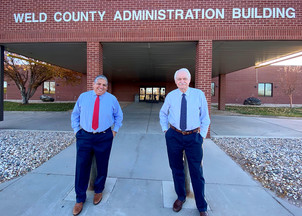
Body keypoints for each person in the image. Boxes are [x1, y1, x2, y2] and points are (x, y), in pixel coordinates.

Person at [159, 68, 210, 216]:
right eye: (179, 79)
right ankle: (180, 197)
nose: (182, 81)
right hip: (174, 135)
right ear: (175, 81)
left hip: (193, 137)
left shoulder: (198, 95)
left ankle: (202, 206)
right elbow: (163, 113)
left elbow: (205, 117)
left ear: (189, 79)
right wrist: (165, 130)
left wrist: (202, 137)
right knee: (176, 168)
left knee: (197, 171)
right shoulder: (171, 96)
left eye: (184, 79)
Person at [71, 75, 123, 216]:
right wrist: (77, 131)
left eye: (104, 85)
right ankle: (80, 198)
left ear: (107, 87)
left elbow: (119, 116)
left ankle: (99, 190)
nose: (101, 87)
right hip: (85, 137)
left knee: (102, 165)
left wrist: (114, 131)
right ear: (93, 84)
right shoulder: (83, 97)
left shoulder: (112, 99)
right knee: (82, 167)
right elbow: (75, 115)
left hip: (104, 137)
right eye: (99, 84)